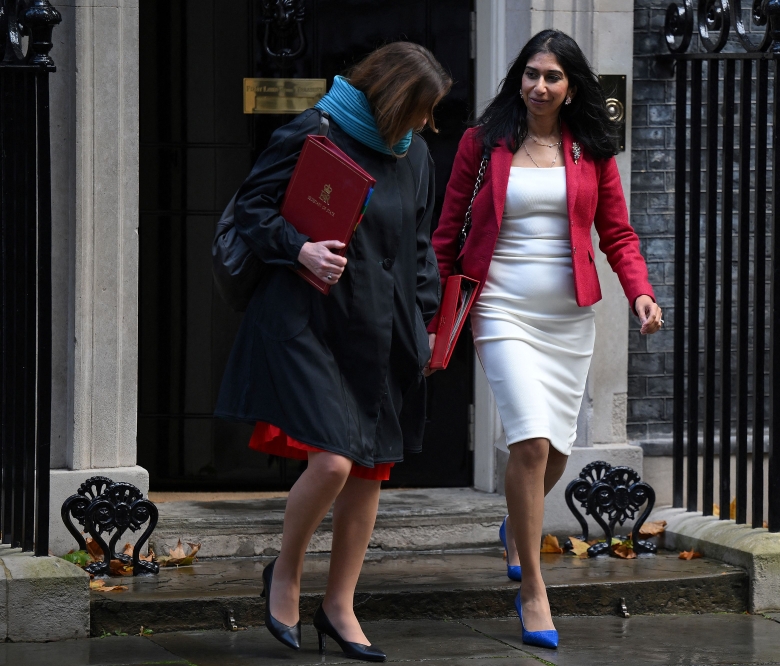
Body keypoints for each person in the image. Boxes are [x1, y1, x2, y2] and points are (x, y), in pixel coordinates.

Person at [215, 42, 451, 662]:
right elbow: (251, 211)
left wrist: (426, 320)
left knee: (370, 468)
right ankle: (285, 573)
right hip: (309, 319)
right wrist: (299, 250)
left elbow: (420, 248)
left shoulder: (416, 154)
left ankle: (340, 606)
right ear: (395, 99)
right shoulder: (314, 131)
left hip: (380, 329)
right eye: (422, 109)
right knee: (334, 462)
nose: (428, 124)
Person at [429, 29, 662, 649]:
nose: (539, 85)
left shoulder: (589, 149)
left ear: (571, 86)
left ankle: (515, 527)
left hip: (567, 317)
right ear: (519, 78)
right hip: (501, 307)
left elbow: (618, 233)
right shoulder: (483, 143)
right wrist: (432, 308)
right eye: (532, 73)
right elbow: (448, 230)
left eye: (553, 76)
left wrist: (639, 290)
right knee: (529, 443)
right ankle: (533, 586)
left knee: (555, 453)